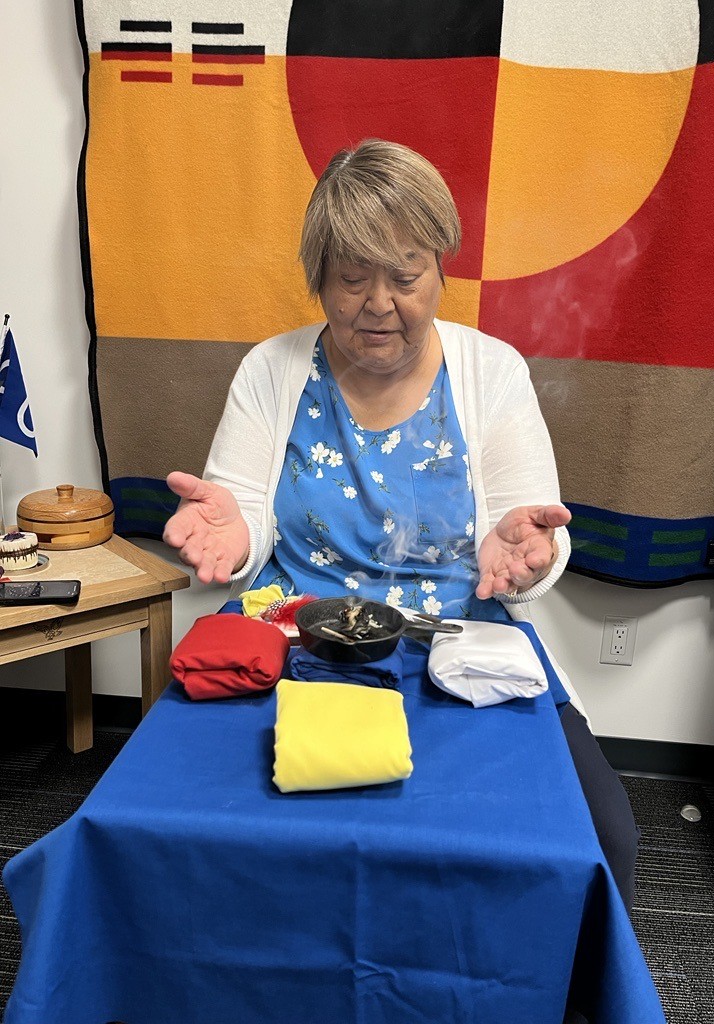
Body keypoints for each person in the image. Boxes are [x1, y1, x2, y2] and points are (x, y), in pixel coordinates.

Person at [163, 139, 638, 916]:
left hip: (455, 636)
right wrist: (236, 534)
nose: (378, 304)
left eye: (405, 277)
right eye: (351, 279)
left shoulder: (493, 373)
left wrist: (530, 557)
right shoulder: (273, 369)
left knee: (603, 836)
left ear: (441, 271)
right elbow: (242, 516)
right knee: (187, 815)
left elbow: (531, 541)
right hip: (295, 631)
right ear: (319, 278)